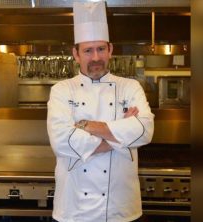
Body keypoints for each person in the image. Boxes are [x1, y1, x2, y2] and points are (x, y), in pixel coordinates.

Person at [47, 1, 154, 222]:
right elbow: (60, 142)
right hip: (74, 209)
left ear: (110, 50)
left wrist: (90, 127)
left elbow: (145, 131)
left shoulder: (130, 86)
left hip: (121, 208)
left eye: (101, 49)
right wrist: (122, 136)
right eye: (88, 50)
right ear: (75, 54)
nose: (96, 57)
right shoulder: (61, 90)